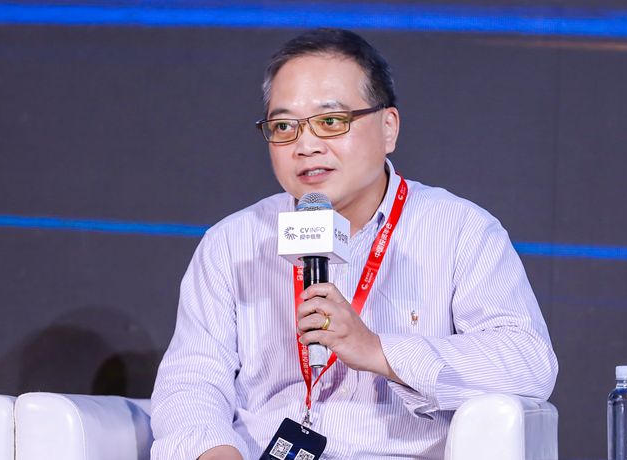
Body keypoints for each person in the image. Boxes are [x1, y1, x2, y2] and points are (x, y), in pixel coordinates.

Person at [151, 28, 558, 460]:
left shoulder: (460, 230)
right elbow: (191, 379)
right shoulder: (231, 243)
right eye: (284, 126)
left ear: (388, 128)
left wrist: (378, 350)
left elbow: (528, 361)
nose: (306, 146)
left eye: (330, 122)